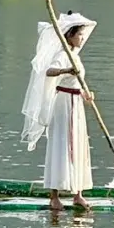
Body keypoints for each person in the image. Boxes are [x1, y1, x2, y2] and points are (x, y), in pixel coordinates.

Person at [21, 12, 97, 214]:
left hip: (76, 104)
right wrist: (66, 71)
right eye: (79, 34)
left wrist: (86, 94)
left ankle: (78, 194)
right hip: (63, 105)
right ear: (70, 35)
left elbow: (77, 81)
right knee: (61, 145)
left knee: (78, 146)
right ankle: (54, 197)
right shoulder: (63, 55)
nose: (82, 38)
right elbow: (49, 72)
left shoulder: (75, 56)